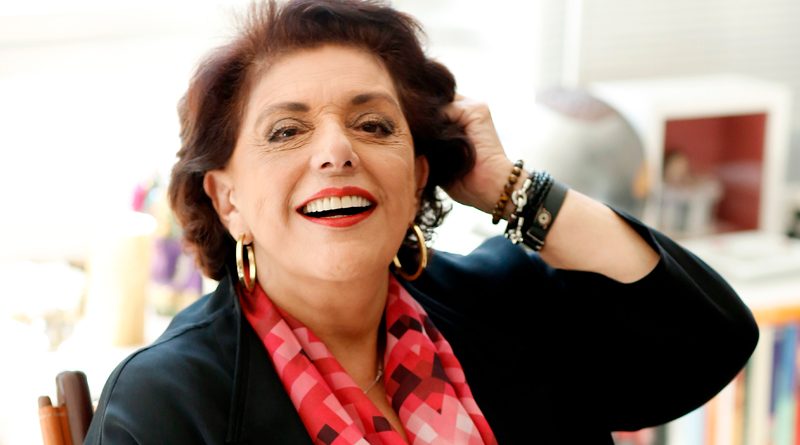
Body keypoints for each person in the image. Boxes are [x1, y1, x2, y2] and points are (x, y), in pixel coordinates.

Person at [84, 1, 758, 444]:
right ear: (228, 200)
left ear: (415, 178)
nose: (337, 151)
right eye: (287, 131)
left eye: (373, 125)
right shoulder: (168, 401)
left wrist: (512, 191)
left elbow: (710, 341)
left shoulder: (505, 302)